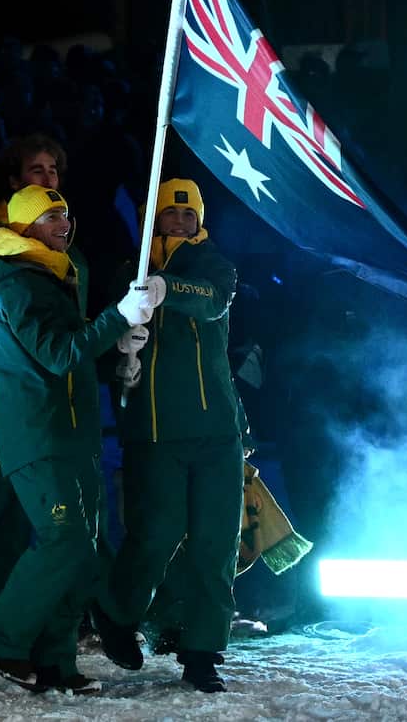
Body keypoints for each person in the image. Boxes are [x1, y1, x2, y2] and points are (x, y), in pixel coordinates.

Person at [0, 184, 161, 694]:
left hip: (74, 436)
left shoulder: (53, 279)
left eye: (66, 212)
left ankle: (57, 661)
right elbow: (57, 355)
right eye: (50, 215)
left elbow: (74, 351)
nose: (64, 222)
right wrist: (117, 316)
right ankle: (3, 637)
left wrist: (118, 340)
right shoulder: (16, 288)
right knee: (66, 540)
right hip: (38, 436)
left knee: (83, 551)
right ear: (23, 228)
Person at [91, 178, 246, 693]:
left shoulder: (214, 267)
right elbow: (107, 340)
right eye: (169, 215)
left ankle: (202, 651)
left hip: (217, 431)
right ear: (152, 219)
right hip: (154, 432)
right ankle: (117, 613)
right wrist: (123, 360)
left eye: (188, 215)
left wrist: (166, 288)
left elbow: (212, 301)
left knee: (215, 542)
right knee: (155, 534)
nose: (180, 222)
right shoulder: (127, 272)